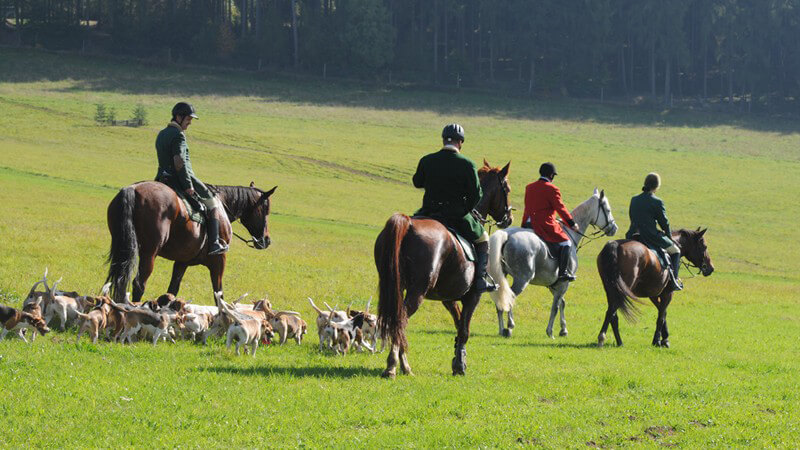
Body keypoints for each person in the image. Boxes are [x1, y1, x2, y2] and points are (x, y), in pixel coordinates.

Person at [412, 123, 497, 293]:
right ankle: (480, 281)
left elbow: (417, 182)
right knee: (484, 239)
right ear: (461, 142)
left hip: (428, 212)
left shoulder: (427, 160)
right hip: (456, 215)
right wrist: (465, 208)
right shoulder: (467, 164)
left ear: (443, 140)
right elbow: (476, 195)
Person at [155, 102, 228, 255]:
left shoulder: (161, 133)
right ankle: (214, 243)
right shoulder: (179, 135)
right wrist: (188, 185)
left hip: (161, 178)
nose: (189, 124)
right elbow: (179, 162)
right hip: (180, 179)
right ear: (179, 117)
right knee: (212, 203)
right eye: (188, 120)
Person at [520, 162, 580, 282]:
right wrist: (572, 224)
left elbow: (530, 207)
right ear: (552, 175)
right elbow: (561, 208)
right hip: (543, 225)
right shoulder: (552, 189)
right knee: (566, 243)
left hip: (527, 223)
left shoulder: (529, 187)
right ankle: (562, 273)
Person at [625, 172, 682, 290]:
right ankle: (674, 282)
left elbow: (632, 217)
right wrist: (669, 237)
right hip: (650, 236)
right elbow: (664, 222)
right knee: (676, 251)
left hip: (633, 235)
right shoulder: (657, 202)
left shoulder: (634, 199)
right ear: (657, 187)